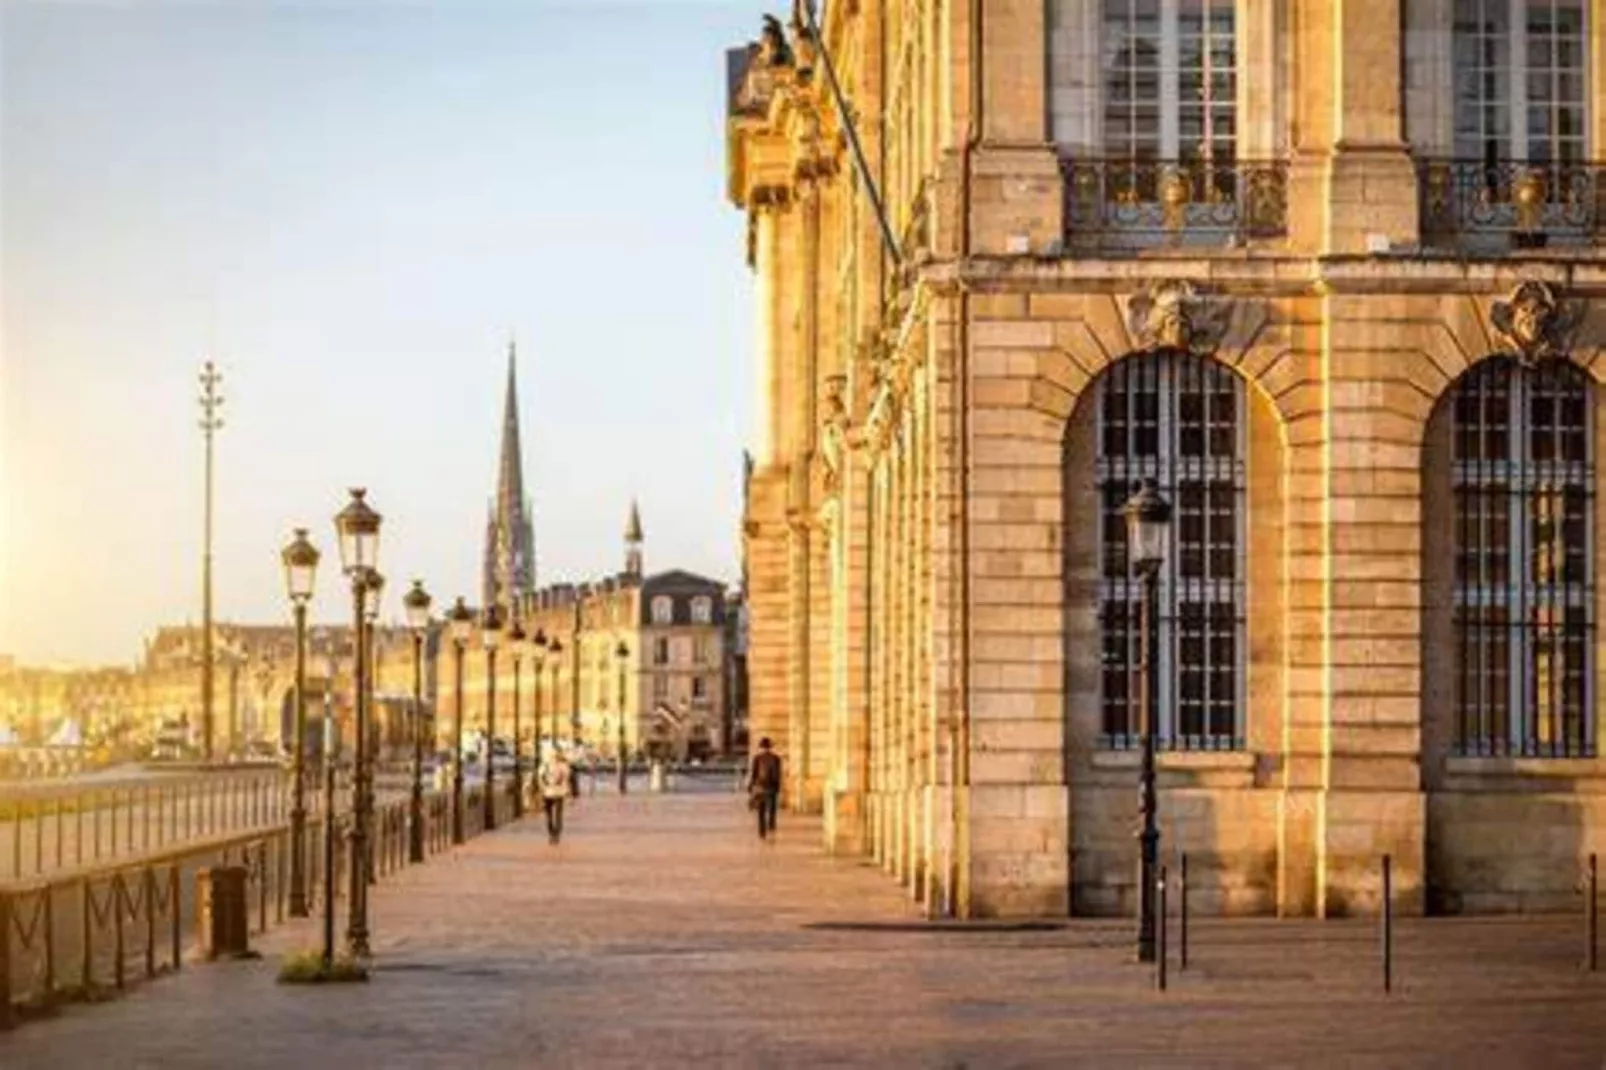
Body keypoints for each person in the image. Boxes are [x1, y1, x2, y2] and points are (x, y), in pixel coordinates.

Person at [747, 737, 783, 841]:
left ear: (761, 747)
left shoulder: (757, 758)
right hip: (771, 788)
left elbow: (754, 774)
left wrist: (751, 787)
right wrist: (778, 788)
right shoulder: (776, 758)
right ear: (770, 747)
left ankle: (762, 831)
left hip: (760, 788)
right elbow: (778, 775)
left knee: (761, 811)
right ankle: (771, 827)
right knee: (772, 810)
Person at [539, 747, 571, 845]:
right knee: (549, 815)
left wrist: (565, 789)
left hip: (558, 793)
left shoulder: (563, 766)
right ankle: (552, 832)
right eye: (552, 755)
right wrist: (543, 787)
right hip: (548, 793)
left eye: (555, 755)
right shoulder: (544, 765)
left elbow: (566, 778)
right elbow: (540, 778)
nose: (553, 757)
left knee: (557, 814)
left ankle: (556, 834)